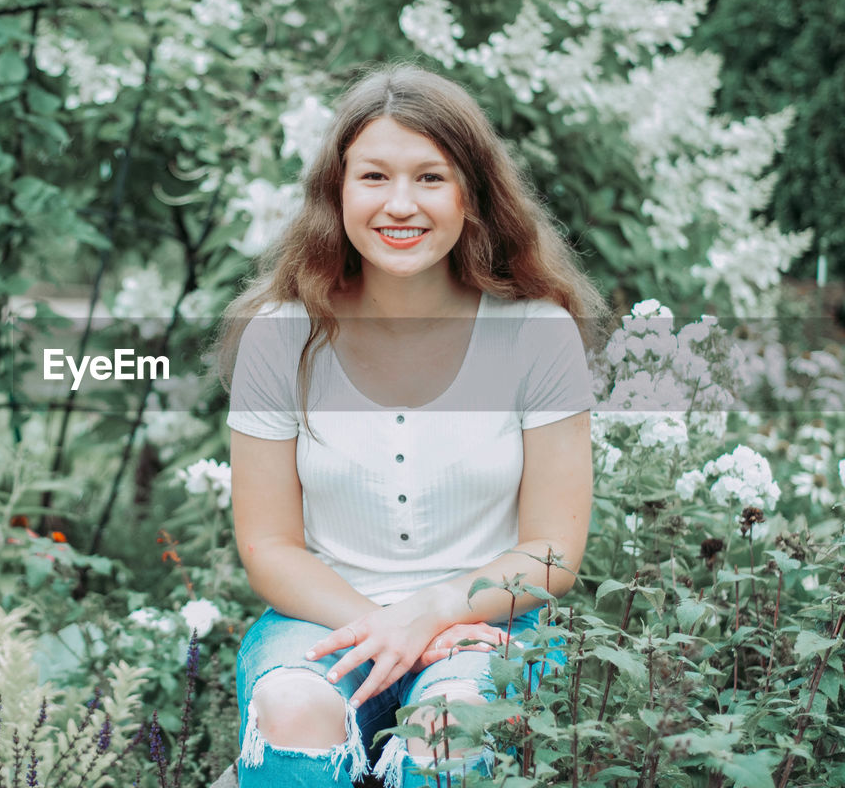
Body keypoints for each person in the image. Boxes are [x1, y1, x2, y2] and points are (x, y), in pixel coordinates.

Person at [216, 63, 607, 788]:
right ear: (337, 191)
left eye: (431, 177)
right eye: (374, 177)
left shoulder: (536, 334)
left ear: (473, 193)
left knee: (449, 731)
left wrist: (431, 614)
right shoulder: (278, 337)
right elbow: (268, 545)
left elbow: (554, 550)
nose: (401, 204)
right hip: (322, 622)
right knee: (292, 704)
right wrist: (390, 628)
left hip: (490, 627)